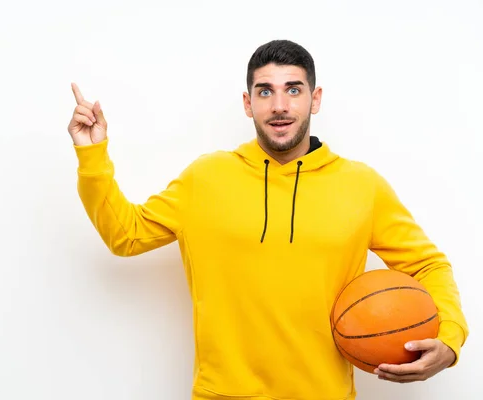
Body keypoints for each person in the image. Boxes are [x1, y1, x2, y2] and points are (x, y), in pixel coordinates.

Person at [67, 40, 469, 399]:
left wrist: (449, 339)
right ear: (248, 103)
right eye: (266, 91)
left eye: (293, 90)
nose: (280, 105)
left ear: (315, 99)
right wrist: (93, 155)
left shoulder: (362, 186)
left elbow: (427, 265)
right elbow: (125, 235)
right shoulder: (205, 178)